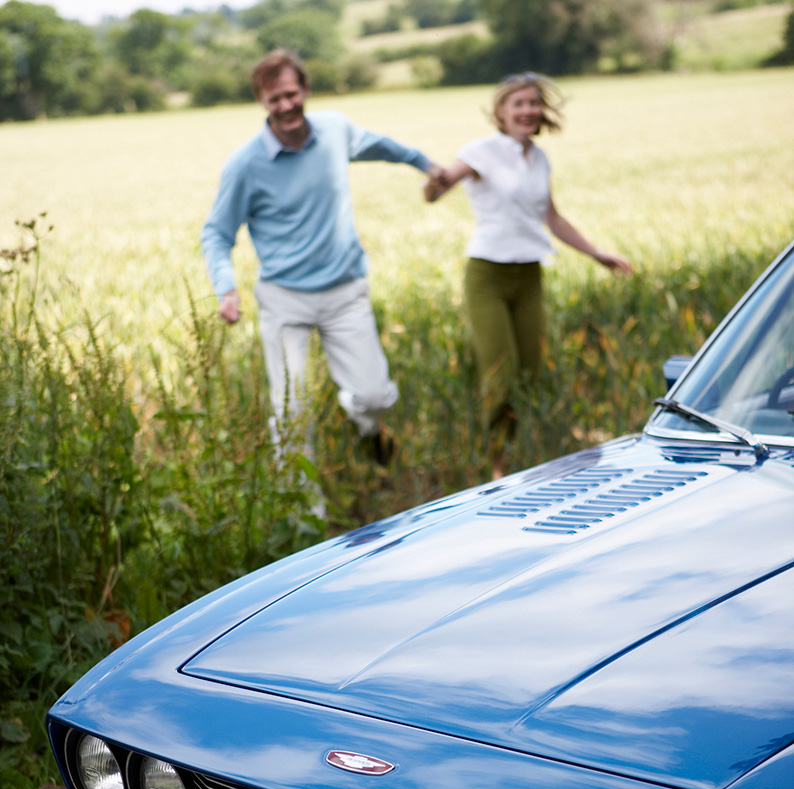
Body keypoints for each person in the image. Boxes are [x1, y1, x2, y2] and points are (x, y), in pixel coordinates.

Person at [201, 49, 445, 464]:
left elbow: (383, 147)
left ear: (306, 90)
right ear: (262, 103)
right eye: (274, 99)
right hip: (284, 300)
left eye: (291, 94)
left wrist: (426, 164)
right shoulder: (244, 165)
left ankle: (366, 427)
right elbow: (217, 233)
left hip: (345, 291)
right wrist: (226, 287)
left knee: (375, 396)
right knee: (291, 413)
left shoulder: (335, 130)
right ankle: (303, 520)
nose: (286, 105)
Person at [424, 72, 632, 476]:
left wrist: (597, 253)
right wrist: (434, 183)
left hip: (529, 275)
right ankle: (496, 465)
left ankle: (528, 454)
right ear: (500, 112)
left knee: (532, 374)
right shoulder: (480, 151)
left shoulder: (538, 157)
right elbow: (438, 188)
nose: (528, 110)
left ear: (542, 112)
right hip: (488, 276)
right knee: (500, 377)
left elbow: (551, 217)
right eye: (518, 103)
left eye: (533, 103)